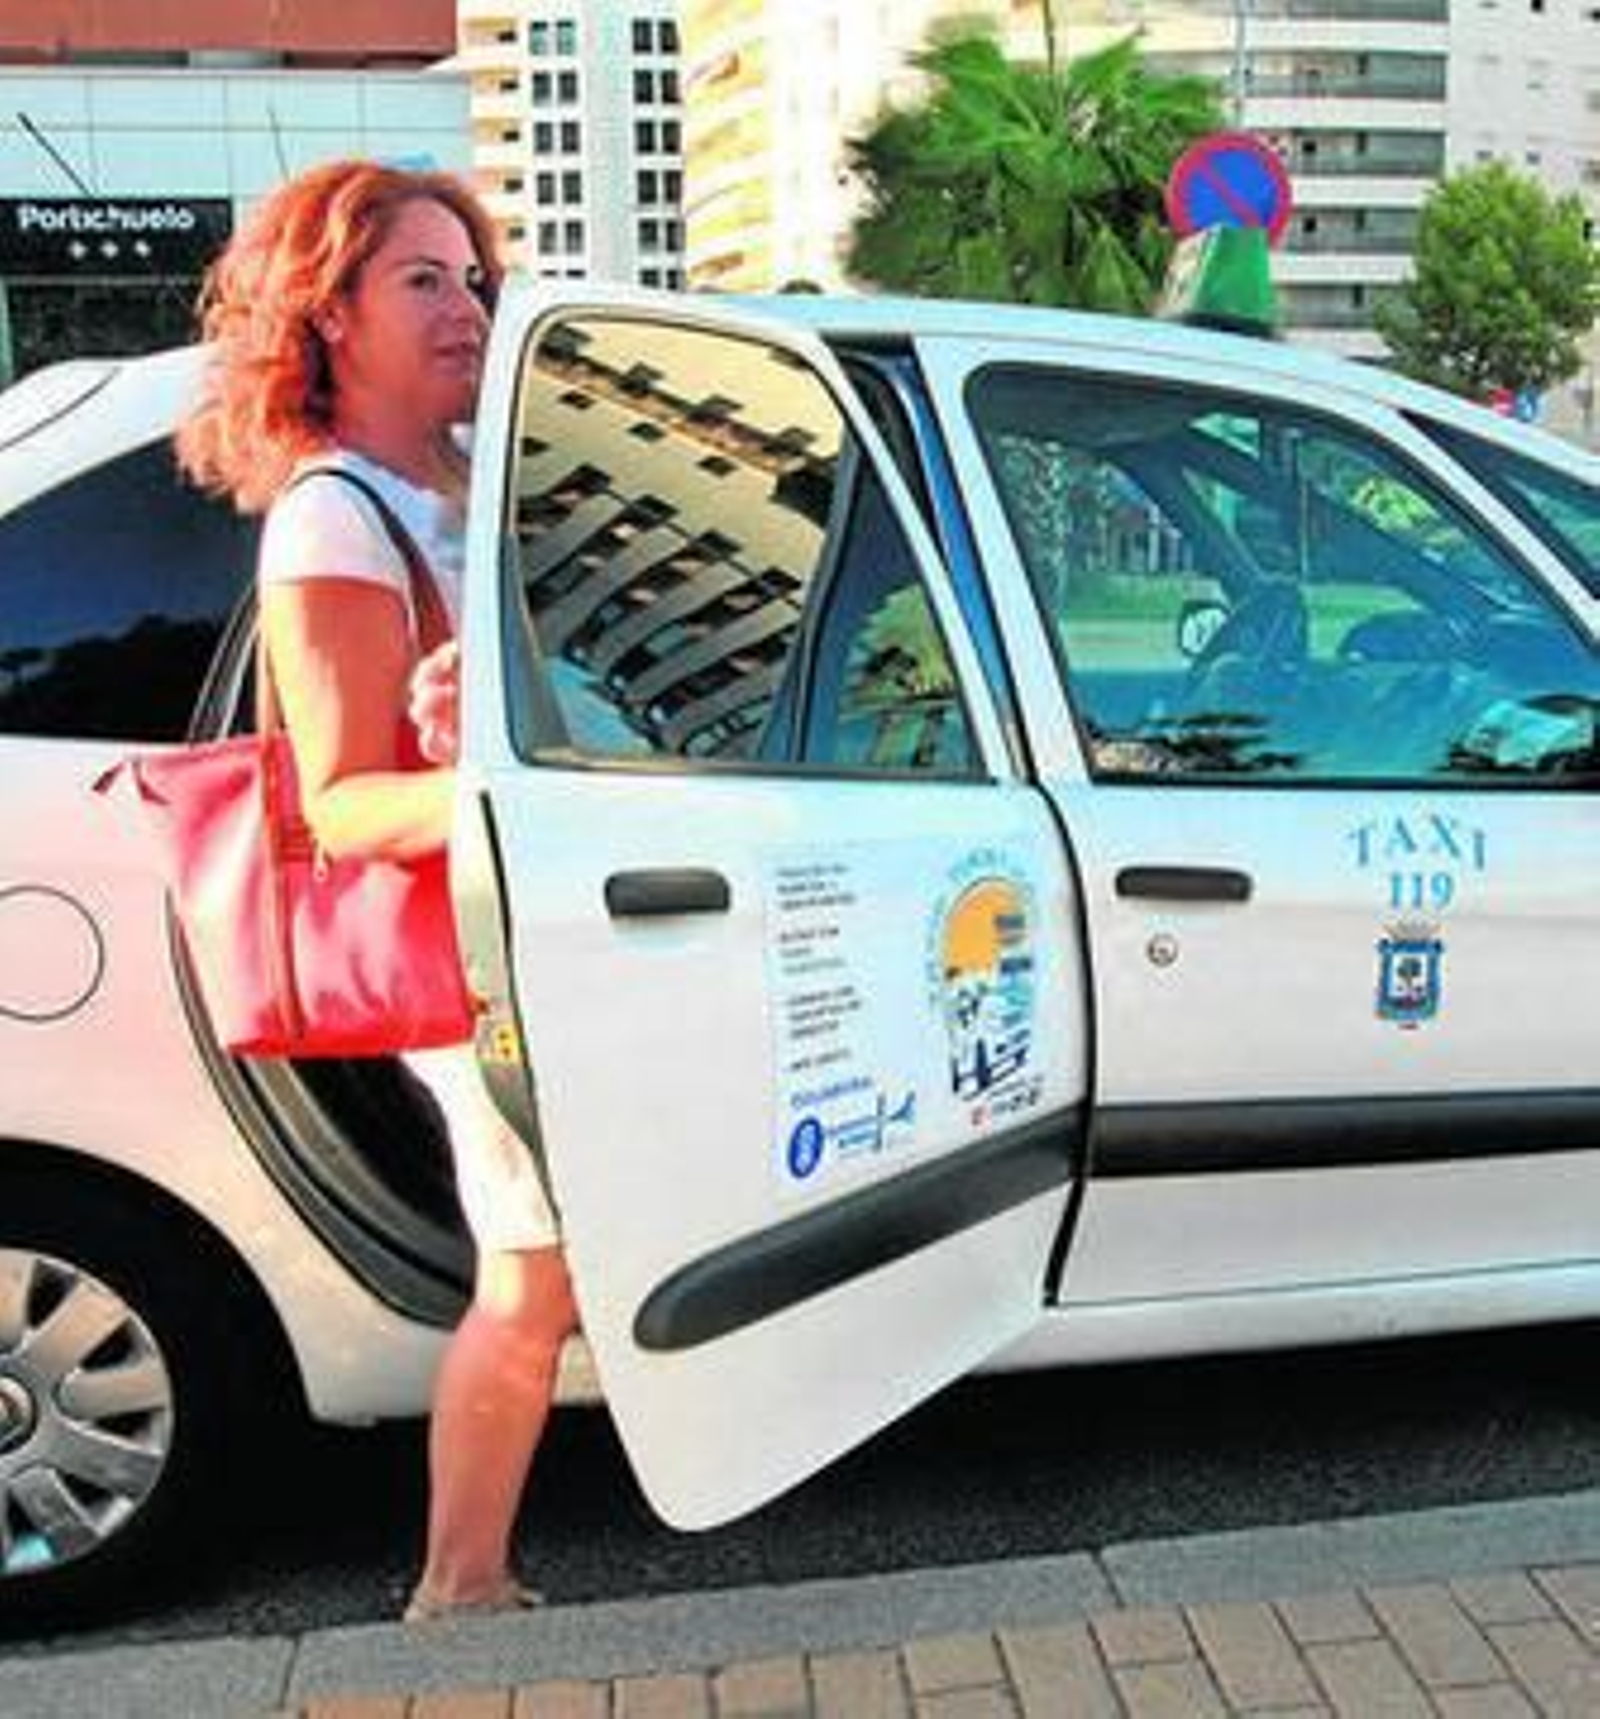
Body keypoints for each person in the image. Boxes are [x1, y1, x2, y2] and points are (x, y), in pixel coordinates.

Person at [177, 159, 577, 1623]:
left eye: (473, 277)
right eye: (422, 279)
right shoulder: (338, 518)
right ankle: (459, 1589)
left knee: (566, 1266)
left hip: (557, 932)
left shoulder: (467, 482)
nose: (467, 305)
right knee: (531, 1276)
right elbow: (343, 804)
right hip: (473, 961)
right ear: (328, 313)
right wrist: (503, 771)